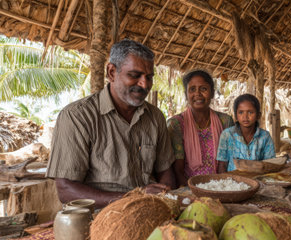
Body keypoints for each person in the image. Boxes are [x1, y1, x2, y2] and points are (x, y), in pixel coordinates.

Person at [46, 39, 176, 208]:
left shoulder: (155, 117)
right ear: (112, 72)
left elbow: (165, 171)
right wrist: (133, 198)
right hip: (100, 216)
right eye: (134, 75)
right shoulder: (77, 117)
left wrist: (164, 195)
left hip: (148, 209)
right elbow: (66, 190)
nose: (144, 84)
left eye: (149, 77)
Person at [167, 70, 233, 187]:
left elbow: (230, 162)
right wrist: (191, 192)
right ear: (186, 94)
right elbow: (178, 171)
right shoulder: (176, 124)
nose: (197, 94)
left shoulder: (225, 121)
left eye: (203, 89)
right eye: (192, 89)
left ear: (212, 93)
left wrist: (224, 187)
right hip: (189, 187)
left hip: (222, 185)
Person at [217, 93, 275, 172]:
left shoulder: (265, 136)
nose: (245, 117)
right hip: (232, 182)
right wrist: (223, 182)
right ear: (236, 115)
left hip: (257, 181)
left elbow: (270, 164)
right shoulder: (227, 134)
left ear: (258, 115)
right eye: (241, 112)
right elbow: (222, 164)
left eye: (250, 112)